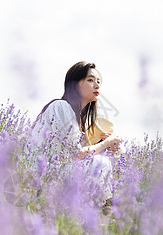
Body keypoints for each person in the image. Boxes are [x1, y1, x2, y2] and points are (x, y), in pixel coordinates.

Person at [28, 61, 121, 208]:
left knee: (103, 160)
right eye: (90, 80)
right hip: (42, 177)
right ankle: (100, 209)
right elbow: (78, 154)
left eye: (98, 81)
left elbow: (79, 156)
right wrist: (105, 143)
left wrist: (107, 146)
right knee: (100, 163)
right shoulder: (62, 106)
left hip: (53, 175)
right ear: (74, 84)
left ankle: (98, 208)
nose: (97, 85)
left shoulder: (77, 118)